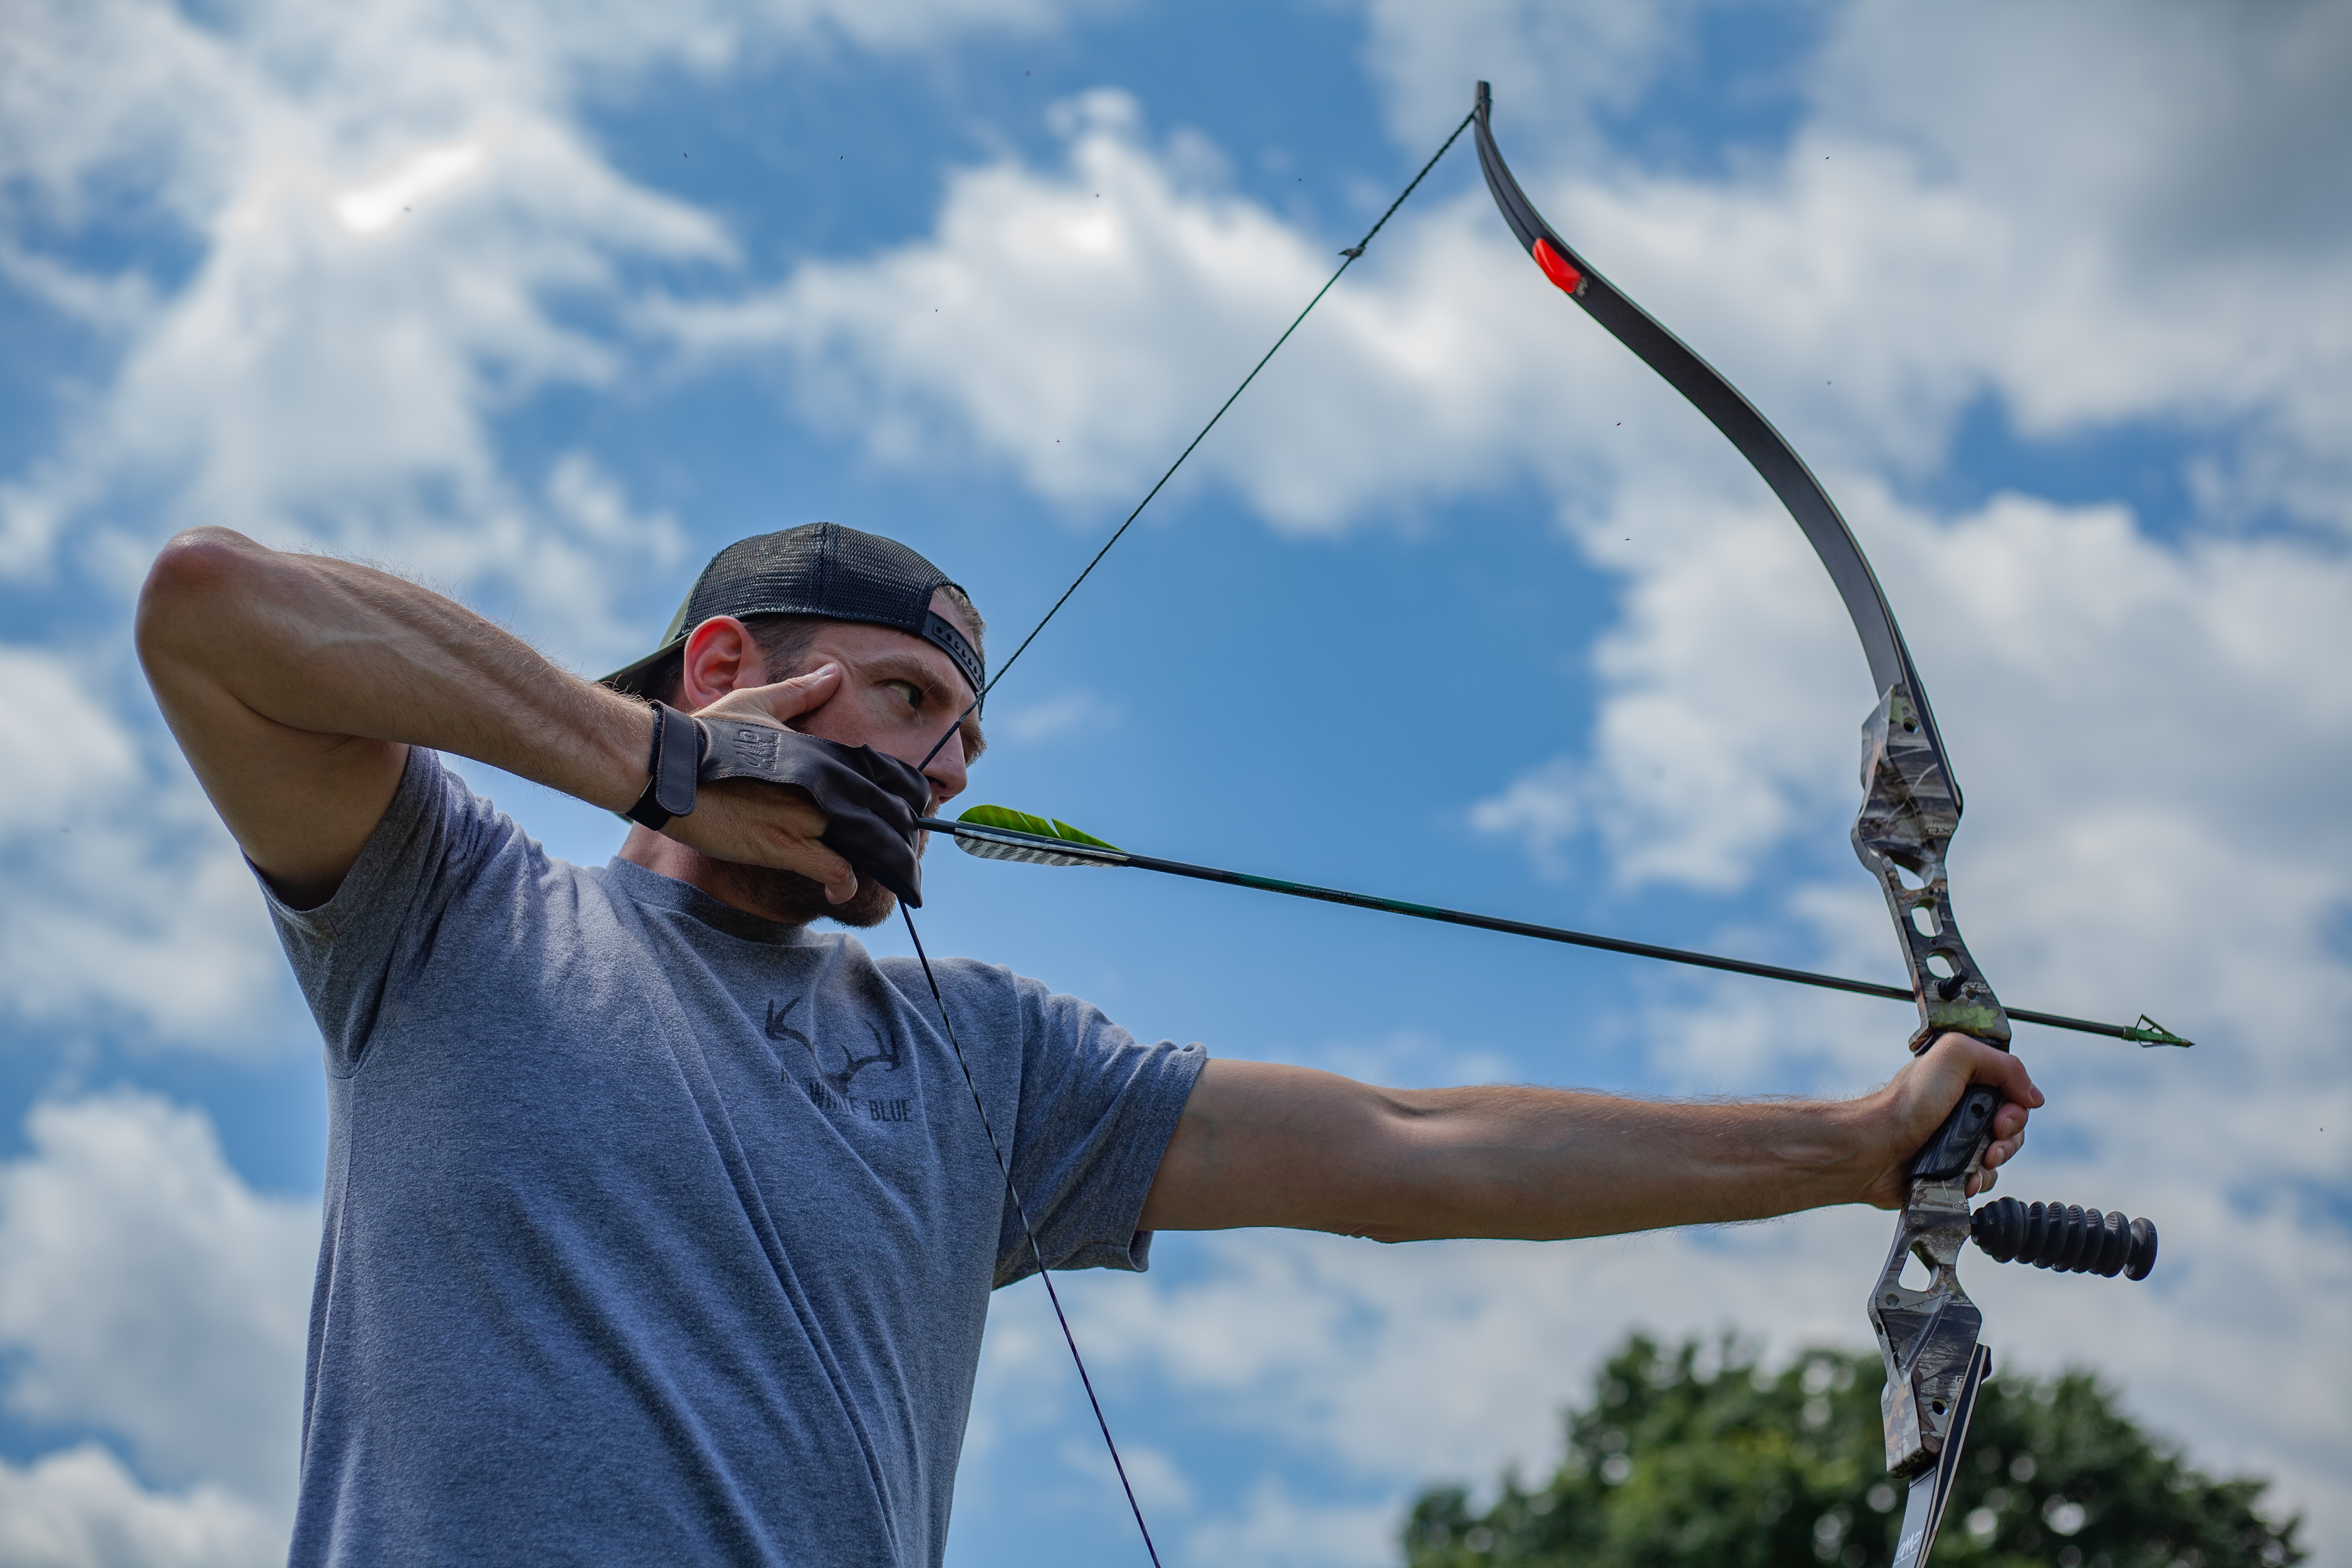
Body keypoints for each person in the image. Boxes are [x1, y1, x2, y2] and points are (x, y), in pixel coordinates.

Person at [135, 520, 2039, 1567]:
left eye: (963, 743)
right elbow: (217, 611)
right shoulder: (454, 915)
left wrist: (1857, 1142)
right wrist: (657, 767)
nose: (943, 770)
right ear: (726, 668)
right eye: (903, 703)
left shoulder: (982, 1061)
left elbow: (1406, 1141)